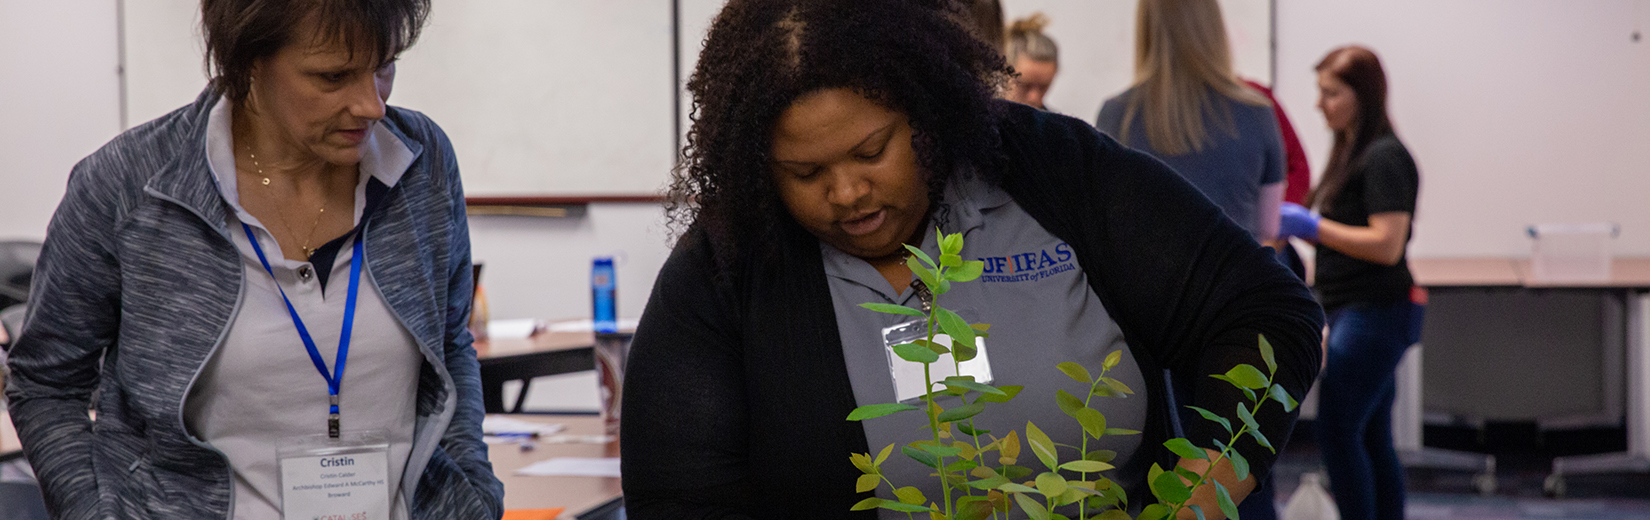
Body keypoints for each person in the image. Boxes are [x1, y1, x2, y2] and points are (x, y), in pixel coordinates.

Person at [620, 1, 1324, 518]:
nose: (846, 192)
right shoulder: (725, 266)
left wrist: (1198, 495)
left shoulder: (1052, 170)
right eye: (803, 174)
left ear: (928, 112)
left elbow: (1268, 313)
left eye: (872, 152)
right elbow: (678, 496)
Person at [3, 0, 503, 518]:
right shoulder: (129, 187)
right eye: (334, 77)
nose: (371, 105)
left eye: (383, 67)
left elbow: (449, 344)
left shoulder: (423, 160)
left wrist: (473, 491)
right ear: (248, 64)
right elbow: (46, 382)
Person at [1277, 46, 1422, 520]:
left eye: (1331, 93)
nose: (1320, 104)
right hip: (1354, 309)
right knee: (1372, 434)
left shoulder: (1384, 157)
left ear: (1363, 96)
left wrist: (1312, 228)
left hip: (1375, 311)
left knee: (1338, 432)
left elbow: (1387, 244)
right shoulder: (1350, 152)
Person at [1096, 0, 1284, 244]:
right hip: (1237, 277)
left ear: (1146, 27)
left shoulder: (1118, 115)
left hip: (1148, 277)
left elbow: (1104, 222)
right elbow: (1269, 229)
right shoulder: (1257, 112)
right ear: (1214, 26)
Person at [1004, 13, 1059, 111]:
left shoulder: (1056, 125)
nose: (1034, 98)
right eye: (1025, 86)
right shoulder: (975, 120)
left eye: (1044, 87)